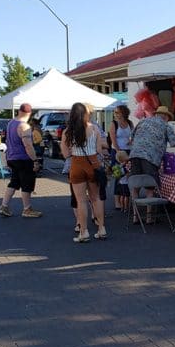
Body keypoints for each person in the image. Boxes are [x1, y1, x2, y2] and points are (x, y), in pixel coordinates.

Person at [129, 105, 175, 223]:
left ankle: (135, 216)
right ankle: (148, 217)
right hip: (151, 157)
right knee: (150, 186)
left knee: (135, 185)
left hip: (135, 155)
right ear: (166, 117)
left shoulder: (142, 122)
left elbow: (131, 139)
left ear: (156, 114)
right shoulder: (166, 126)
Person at [61, 102, 108, 242]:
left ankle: (83, 231)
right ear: (87, 114)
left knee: (81, 201)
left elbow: (65, 154)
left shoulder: (67, 132)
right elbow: (100, 150)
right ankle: (101, 229)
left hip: (76, 164)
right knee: (96, 198)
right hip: (93, 163)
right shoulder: (94, 128)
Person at [0, 103, 42, 218]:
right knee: (27, 184)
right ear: (29, 113)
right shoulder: (24, 126)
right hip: (24, 159)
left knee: (14, 182)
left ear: (18, 111)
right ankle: (27, 209)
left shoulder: (11, 123)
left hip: (12, 158)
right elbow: (28, 145)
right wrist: (35, 160)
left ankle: (4, 206)